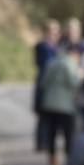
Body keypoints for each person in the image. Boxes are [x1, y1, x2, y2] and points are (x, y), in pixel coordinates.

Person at [40, 45, 83, 165]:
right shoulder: (69, 65)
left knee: (52, 138)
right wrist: (81, 75)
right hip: (65, 107)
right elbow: (74, 83)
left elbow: (43, 82)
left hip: (49, 105)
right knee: (68, 138)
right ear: (75, 54)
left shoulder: (51, 63)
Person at [34, 19, 61, 152]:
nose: (52, 33)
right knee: (43, 111)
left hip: (55, 83)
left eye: (55, 31)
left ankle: (48, 140)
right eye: (50, 30)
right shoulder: (42, 46)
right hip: (44, 81)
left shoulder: (57, 46)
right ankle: (41, 141)